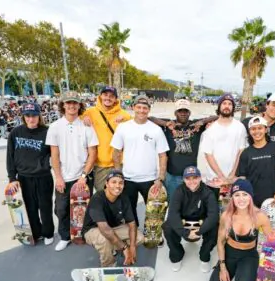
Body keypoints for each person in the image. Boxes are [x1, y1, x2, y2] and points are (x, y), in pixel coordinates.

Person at [208, 179, 275, 281]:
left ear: (250, 196)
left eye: (245, 194)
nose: (241, 199)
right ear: (232, 198)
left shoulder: (260, 217)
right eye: (237, 195)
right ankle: (229, 270)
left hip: (248, 255)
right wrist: (223, 267)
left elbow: (271, 237)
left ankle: (246, 275)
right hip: (229, 253)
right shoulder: (226, 216)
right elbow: (220, 242)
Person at [46, 91, 99, 251]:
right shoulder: (55, 127)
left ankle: (83, 234)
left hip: (82, 177)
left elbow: (93, 153)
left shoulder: (86, 126)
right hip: (64, 177)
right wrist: (58, 178)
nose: (72, 106)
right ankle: (64, 236)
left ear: (79, 105)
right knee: (61, 209)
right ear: (63, 105)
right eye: (68, 103)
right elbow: (54, 155)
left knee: (83, 209)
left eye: (75, 103)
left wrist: (84, 176)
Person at [110, 95, 169, 236]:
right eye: (139, 107)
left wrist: (160, 178)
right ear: (133, 108)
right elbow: (116, 152)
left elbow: (163, 155)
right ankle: (134, 233)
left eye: (145, 108)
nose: (142, 110)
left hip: (150, 179)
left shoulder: (156, 129)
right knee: (129, 210)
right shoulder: (123, 127)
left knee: (154, 210)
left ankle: (153, 234)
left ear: (149, 110)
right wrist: (118, 173)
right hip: (128, 178)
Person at [6, 103, 54, 245]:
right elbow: (10, 156)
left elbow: (56, 154)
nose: (31, 119)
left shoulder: (47, 131)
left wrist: (47, 164)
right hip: (24, 178)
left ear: (39, 116)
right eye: (28, 116)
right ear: (23, 117)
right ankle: (36, 232)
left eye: (34, 115)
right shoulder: (15, 133)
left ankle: (48, 233)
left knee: (45, 207)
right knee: (30, 207)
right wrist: (11, 178)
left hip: (43, 176)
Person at [148, 99, 217, 199]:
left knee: (190, 205)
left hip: (191, 177)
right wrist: (166, 124)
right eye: (180, 111)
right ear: (175, 113)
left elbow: (215, 117)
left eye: (186, 111)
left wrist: (202, 122)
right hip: (172, 176)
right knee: (173, 204)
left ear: (189, 113)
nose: (183, 113)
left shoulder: (195, 125)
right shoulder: (169, 124)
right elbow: (150, 118)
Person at [163, 166, 219, 273]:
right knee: (168, 227)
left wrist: (199, 231)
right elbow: (173, 214)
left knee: (215, 227)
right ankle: (177, 256)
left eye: (195, 178)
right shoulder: (179, 191)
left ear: (200, 178)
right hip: (184, 220)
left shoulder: (208, 192)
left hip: (201, 222)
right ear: (183, 179)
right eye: (188, 178)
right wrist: (185, 233)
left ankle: (204, 256)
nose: (191, 181)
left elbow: (213, 215)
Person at [82, 170, 144, 267]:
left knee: (139, 237)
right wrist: (124, 248)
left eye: (121, 183)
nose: (117, 186)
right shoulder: (97, 198)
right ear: (106, 183)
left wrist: (132, 247)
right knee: (104, 239)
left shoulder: (124, 198)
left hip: (113, 228)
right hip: (93, 230)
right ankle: (108, 265)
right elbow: (105, 229)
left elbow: (132, 225)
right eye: (114, 182)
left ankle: (112, 247)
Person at [82, 86, 131, 191]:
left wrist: (125, 119)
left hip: (119, 163)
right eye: (105, 95)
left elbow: (136, 122)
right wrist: (84, 118)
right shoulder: (90, 112)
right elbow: (75, 118)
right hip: (101, 165)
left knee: (118, 194)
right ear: (100, 96)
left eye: (111, 96)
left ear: (115, 99)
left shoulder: (123, 114)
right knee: (102, 193)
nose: (108, 98)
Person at [201, 93, 247, 199]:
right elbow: (208, 154)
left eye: (230, 104)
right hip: (214, 179)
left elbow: (241, 151)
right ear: (219, 106)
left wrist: (231, 175)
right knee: (213, 212)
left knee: (231, 212)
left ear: (233, 108)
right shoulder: (211, 129)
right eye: (224, 103)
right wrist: (221, 176)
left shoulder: (240, 127)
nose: (227, 106)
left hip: (234, 179)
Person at [236, 115, 275, 207]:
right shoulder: (246, 153)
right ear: (249, 132)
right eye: (253, 129)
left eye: (260, 128)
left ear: (266, 129)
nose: (256, 131)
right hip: (251, 199)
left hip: (273, 199)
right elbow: (242, 177)